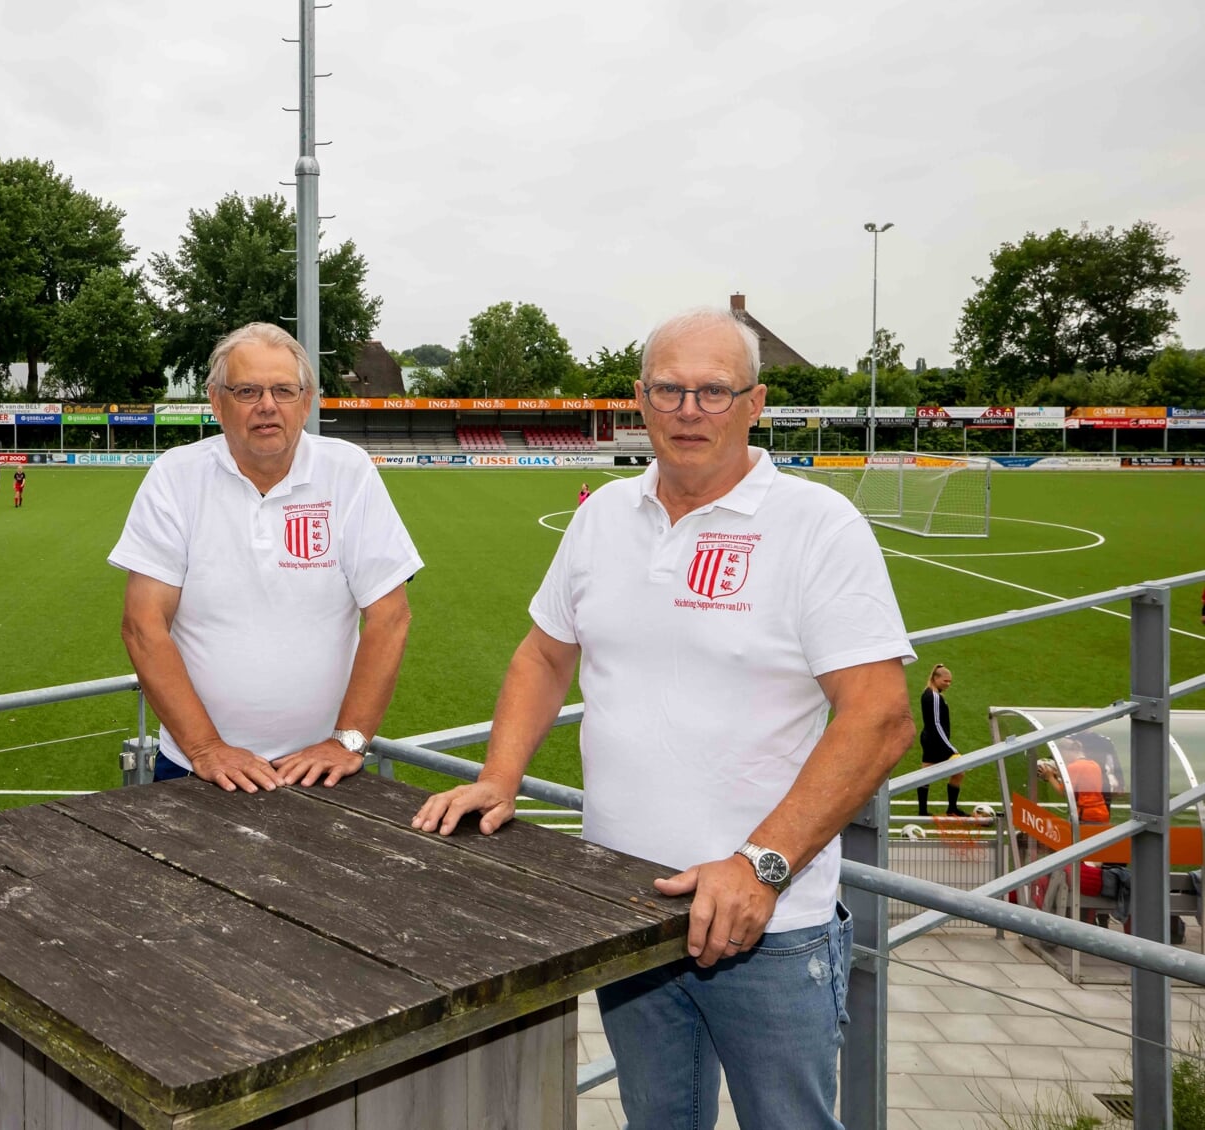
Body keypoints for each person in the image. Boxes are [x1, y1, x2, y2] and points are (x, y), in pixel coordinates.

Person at [412, 307, 915, 1129]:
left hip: (769, 923)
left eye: (714, 392)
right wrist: (499, 778)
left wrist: (762, 865)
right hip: (628, 906)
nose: (690, 410)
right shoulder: (602, 515)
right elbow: (543, 656)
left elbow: (881, 717)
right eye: (670, 390)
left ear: (755, 404)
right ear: (640, 401)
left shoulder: (817, 526)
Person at [110, 322, 421, 792]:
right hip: (196, 767)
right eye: (247, 390)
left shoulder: (348, 472)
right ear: (217, 402)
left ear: (307, 399)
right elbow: (142, 624)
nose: (267, 405)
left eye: (283, 390)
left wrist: (347, 742)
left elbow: (390, 616)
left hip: (321, 768)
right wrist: (205, 748)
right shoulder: (175, 476)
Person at [917, 663, 966, 818]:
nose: (948, 684)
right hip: (936, 741)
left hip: (929, 739)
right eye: (945, 681)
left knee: (926, 774)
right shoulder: (935, 697)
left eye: (950, 681)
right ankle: (952, 809)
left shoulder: (928, 693)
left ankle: (922, 811)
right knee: (959, 771)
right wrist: (950, 748)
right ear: (936, 678)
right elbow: (937, 724)